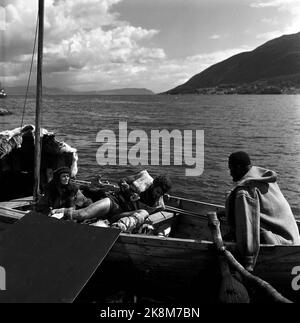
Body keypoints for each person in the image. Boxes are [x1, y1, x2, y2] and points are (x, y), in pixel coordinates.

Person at [225, 151, 300, 272]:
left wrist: (248, 262)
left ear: (238, 167)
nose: (230, 173)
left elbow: (247, 229)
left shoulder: (245, 191)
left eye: (231, 168)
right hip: (294, 238)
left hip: (282, 247)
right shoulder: (264, 178)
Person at [60, 171, 172, 228]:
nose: (158, 195)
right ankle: (58, 212)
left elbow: (148, 216)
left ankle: (118, 227)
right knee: (82, 214)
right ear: (153, 184)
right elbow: (121, 181)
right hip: (115, 202)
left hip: (122, 215)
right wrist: (129, 190)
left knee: (144, 212)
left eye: (161, 194)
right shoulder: (144, 177)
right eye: (157, 191)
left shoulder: (159, 203)